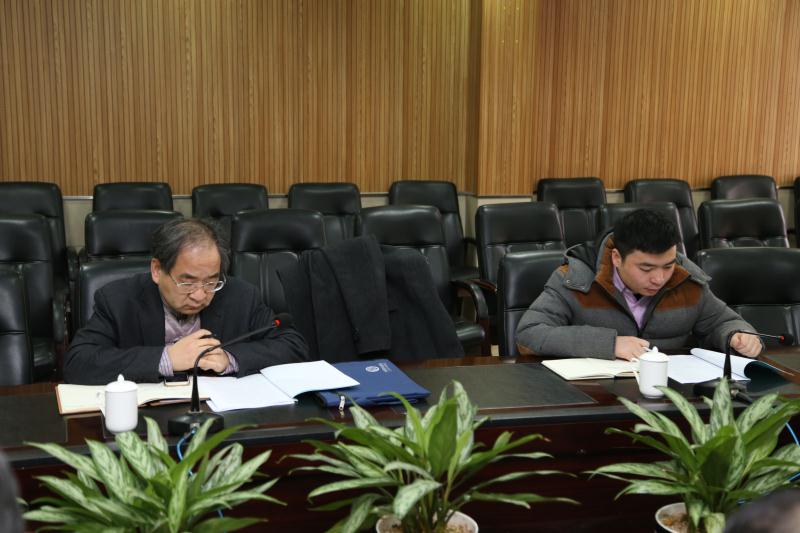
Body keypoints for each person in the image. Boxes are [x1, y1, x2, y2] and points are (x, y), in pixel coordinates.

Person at [65, 218, 309, 385]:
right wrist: (166, 359)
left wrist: (230, 358)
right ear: (157, 270)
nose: (200, 295)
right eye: (187, 282)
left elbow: (294, 346)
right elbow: (78, 362)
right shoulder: (119, 299)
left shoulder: (241, 296)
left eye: (211, 281)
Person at [515, 209, 762, 360]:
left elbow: (721, 322)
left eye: (667, 266)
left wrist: (737, 335)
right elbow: (529, 334)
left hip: (670, 395)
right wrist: (610, 344)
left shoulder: (686, 279)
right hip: (595, 396)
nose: (659, 278)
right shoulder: (575, 279)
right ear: (617, 258)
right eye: (646, 268)